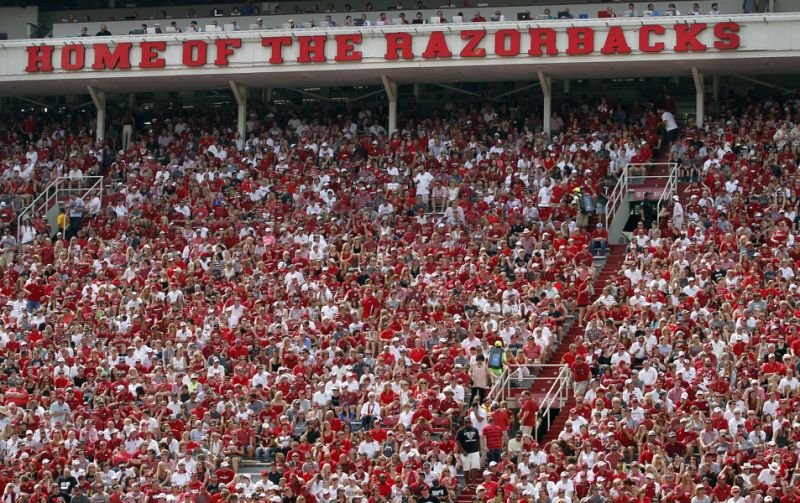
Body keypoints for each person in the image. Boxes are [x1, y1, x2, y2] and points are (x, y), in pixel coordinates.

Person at [455, 416, 481, 486]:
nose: (468, 423)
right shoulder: (460, 431)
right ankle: (467, 484)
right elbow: (457, 441)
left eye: (469, 422)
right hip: (465, 453)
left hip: (475, 451)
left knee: (474, 467)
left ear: (471, 422)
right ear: (464, 422)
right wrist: (462, 451)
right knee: (466, 469)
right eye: (466, 422)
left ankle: (474, 483)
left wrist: (480, 450)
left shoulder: (475, 430)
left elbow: (478, 440)